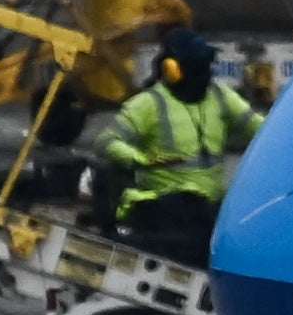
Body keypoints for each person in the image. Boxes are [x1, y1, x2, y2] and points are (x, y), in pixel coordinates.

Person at [96, 35, 262, 262]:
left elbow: (259, 127)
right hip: (167, 207)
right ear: (172, 69)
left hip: (208, 210)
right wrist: (141, 159)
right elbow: (106, 142)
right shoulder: (150, 103)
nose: (205, 75)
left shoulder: (220, 96)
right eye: (198, 68)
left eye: (207, 67)